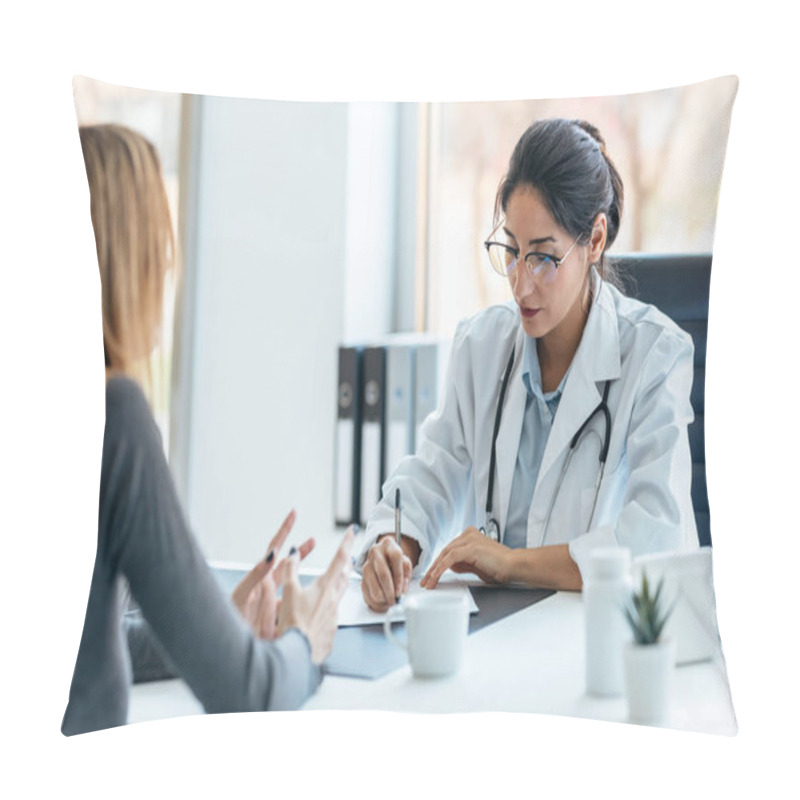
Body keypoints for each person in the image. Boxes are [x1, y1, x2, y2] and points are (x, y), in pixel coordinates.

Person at [62, 123, 353, 736]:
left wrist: (209, 622)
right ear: (126, 263)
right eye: (161, 248)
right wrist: (308, 640)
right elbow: (250, 694)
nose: (168, 268)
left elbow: (77, 645)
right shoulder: (114, 421)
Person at [358, 118, 698, 612]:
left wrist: (511, 562)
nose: (521, 285)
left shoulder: (654, 355)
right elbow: (431, 474)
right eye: (512, 251)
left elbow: (654, 540)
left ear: (595, 239)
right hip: (490, 639)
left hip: (587, 643)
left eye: (543, 258)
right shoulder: (482, 346)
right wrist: (394, 546)